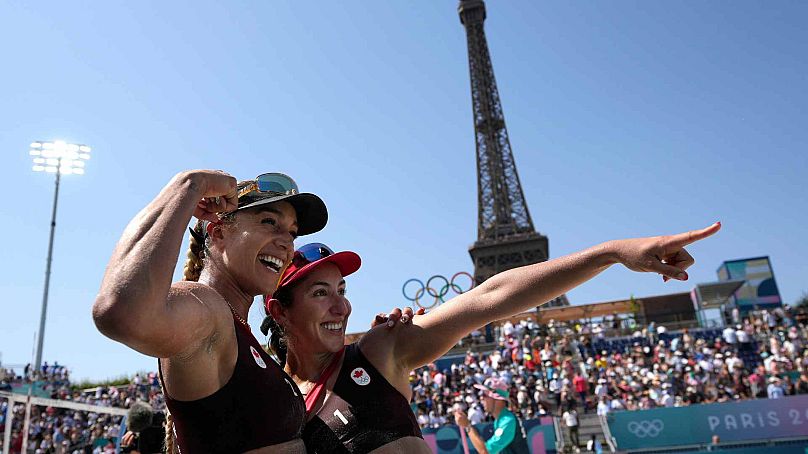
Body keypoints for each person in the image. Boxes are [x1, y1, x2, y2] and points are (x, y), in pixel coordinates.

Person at [265, 220, 720, 453]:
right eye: (320, 293)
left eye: (342, 291)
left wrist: (612, 253)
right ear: (279, 311)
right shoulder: (271, 404)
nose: (341, 306)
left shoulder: (381, 350)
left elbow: (491, 296)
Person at [92, 171, 408, 453]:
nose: (286, 242)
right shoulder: (206, 305)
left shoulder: (238, 330)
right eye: (269, 222)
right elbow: (120, 311)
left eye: (292, 232)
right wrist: (188, 186)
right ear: (218, 233)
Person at [455, 378, 529, 454]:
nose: (481, 398)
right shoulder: (500, 420)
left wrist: (468, 426)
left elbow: (485, 452)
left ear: (497, 399)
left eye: (484, 395)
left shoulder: (507, 420)